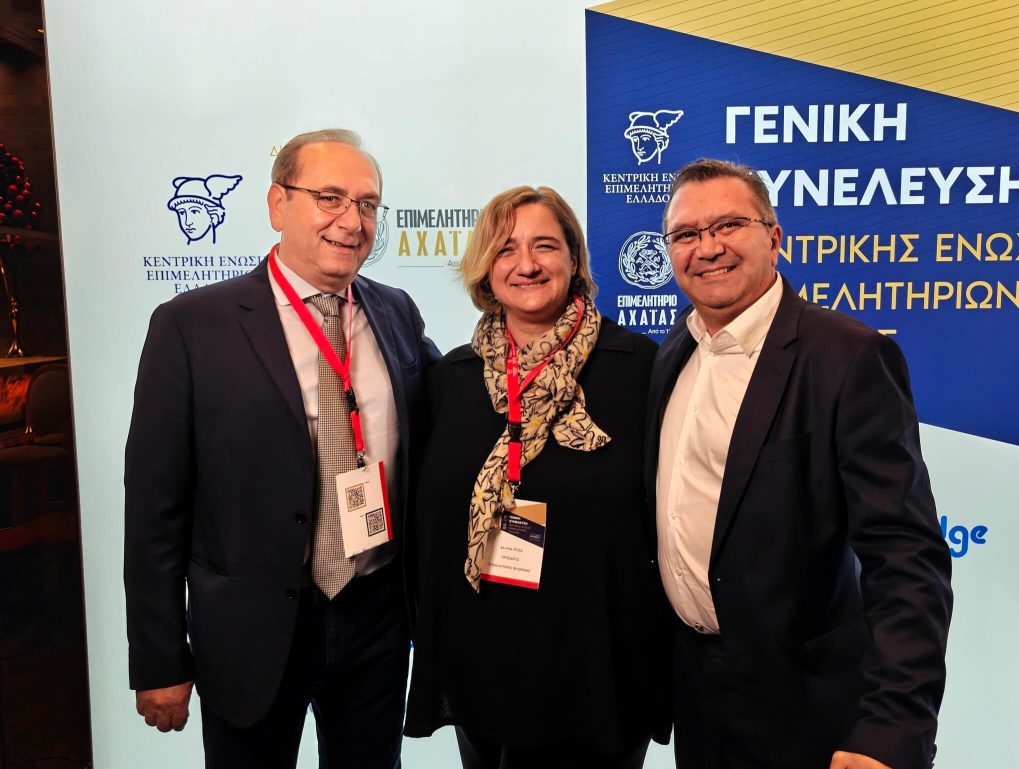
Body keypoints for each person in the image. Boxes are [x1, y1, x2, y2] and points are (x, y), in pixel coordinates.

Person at [125, 128, 440, 768]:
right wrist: (159, 658)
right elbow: (154, 508)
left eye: (368, 204)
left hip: (376, 620)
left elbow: (451, 414)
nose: (351, 220)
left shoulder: (396, 312)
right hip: (251, 630)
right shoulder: (191, 325)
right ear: (277, 204)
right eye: (330, 197)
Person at [647, 158, 953, 769]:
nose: (708, 248)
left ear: (775, 237)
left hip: (812, 710)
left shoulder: (848, 355)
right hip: (699, 699)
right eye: (686, 234)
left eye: (728, 225)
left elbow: (904, 557)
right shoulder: (674, 351)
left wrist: (891, 726)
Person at [404, 186, 671, 769]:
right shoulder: (449, 378)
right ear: (485, 267)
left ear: (574, 258)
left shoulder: (641, 369)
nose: (526, 264)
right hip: (481, 661)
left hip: (595, 671)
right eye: (505, 249)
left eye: (544, 245)